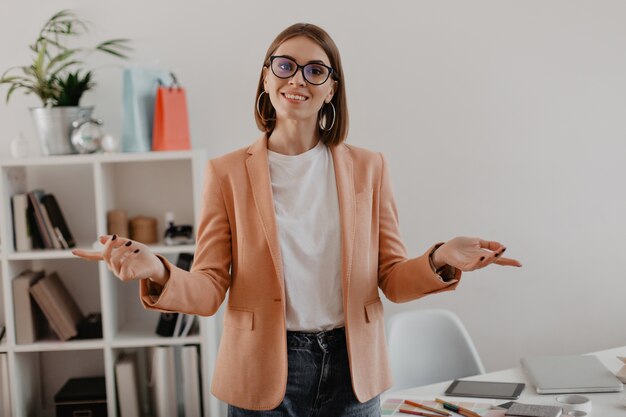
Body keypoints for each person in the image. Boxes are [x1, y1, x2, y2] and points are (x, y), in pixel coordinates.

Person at [73, 22, 521, 417]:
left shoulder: (370, 167)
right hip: (262, 371)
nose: (298, 79)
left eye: (315, 70)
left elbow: (391, 279)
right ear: (266, 78)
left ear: (331, 88)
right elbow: (210, 288)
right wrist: (158, 270)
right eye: (284, 65)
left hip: (353, 369)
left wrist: (441, 256)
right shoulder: (226, 173)